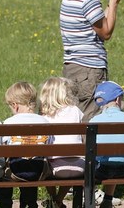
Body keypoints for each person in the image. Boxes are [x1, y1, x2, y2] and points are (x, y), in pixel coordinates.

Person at [60, 0, 124, 123]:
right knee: (89, 120)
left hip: (71, 68)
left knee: (74, 118)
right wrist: (113, 1)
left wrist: (112, 3)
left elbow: (99, 24)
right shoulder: (89, 0)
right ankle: (87, 152)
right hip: (89, 70)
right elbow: (105, 33)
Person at [0, 81, 52, 208]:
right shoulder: (45, 121)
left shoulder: (9, 122)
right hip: (39, 171)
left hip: (15, 171)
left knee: (5, 171)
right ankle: (29, 203)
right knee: (33, 161)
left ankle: (5, 204)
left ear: (15, 105)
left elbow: (4, 149)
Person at [89, 81, 124, 208]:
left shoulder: (94, 121)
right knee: (115, 157)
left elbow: (90, 149)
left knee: (94, 162)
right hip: (123, 169)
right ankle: (108, 200)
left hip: (101, 170)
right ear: (117, 100)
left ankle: (88, 201)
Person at [39, 77, 84, 208]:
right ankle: (58, 200)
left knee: (44, 162)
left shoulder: (44, 116)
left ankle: (54, 199)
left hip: (55, 169)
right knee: (71, 164)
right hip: (79, 167)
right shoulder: (76, 110)